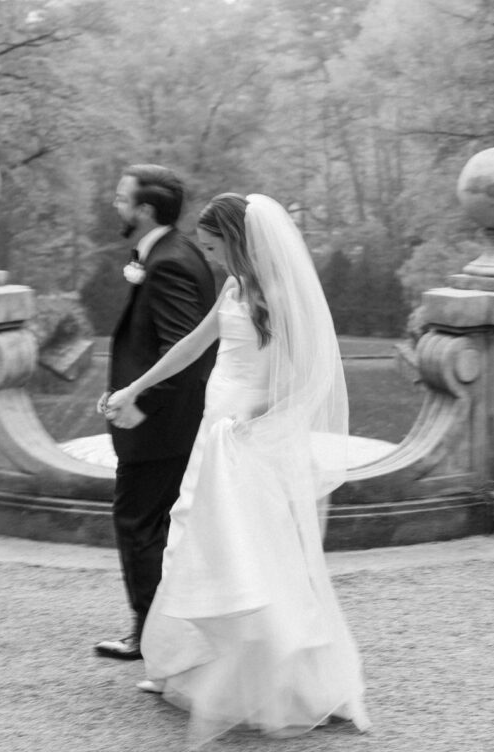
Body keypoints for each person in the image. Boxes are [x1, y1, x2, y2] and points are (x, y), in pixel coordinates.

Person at [105, 193, 370, 745]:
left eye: (213, 246)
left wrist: (256, 413)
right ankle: (196, 667)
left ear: (236, 240)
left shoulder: (275, 293)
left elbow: (309, 375)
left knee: (251, 553)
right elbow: (190, 348)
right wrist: (134, 387)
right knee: (196, 543)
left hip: (249, 437)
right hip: (214, 428)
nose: (212, 258)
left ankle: (281, 681)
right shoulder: (233, 287)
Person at [94, 165, 216, 661]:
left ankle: (149, 636)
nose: (115, 204)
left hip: (160, 429)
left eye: (122, 198)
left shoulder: (167, 263)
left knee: (139, 525)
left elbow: (182, 350)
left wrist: (138, 404)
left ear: (145, 211)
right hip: (167, 422)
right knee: (157, 527)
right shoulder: (170, 251)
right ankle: (163, 630)